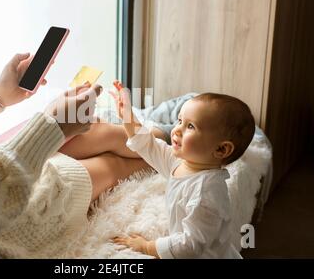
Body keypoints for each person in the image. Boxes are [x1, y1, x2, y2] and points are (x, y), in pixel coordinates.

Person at [0, 53, 150, 258]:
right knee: (114, 164)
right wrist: (53, 127)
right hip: (16, 210)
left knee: (97, 131)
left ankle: (167, 134)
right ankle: (171, 143)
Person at [106, 82, 255, 258]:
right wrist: (127, 116)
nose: (176, 130)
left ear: (221, 149)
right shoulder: (180, 162)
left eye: (190, 126)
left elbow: (190, 246)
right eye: (179, 121)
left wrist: (147, 247)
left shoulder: (206, 194)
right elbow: (148, 144)